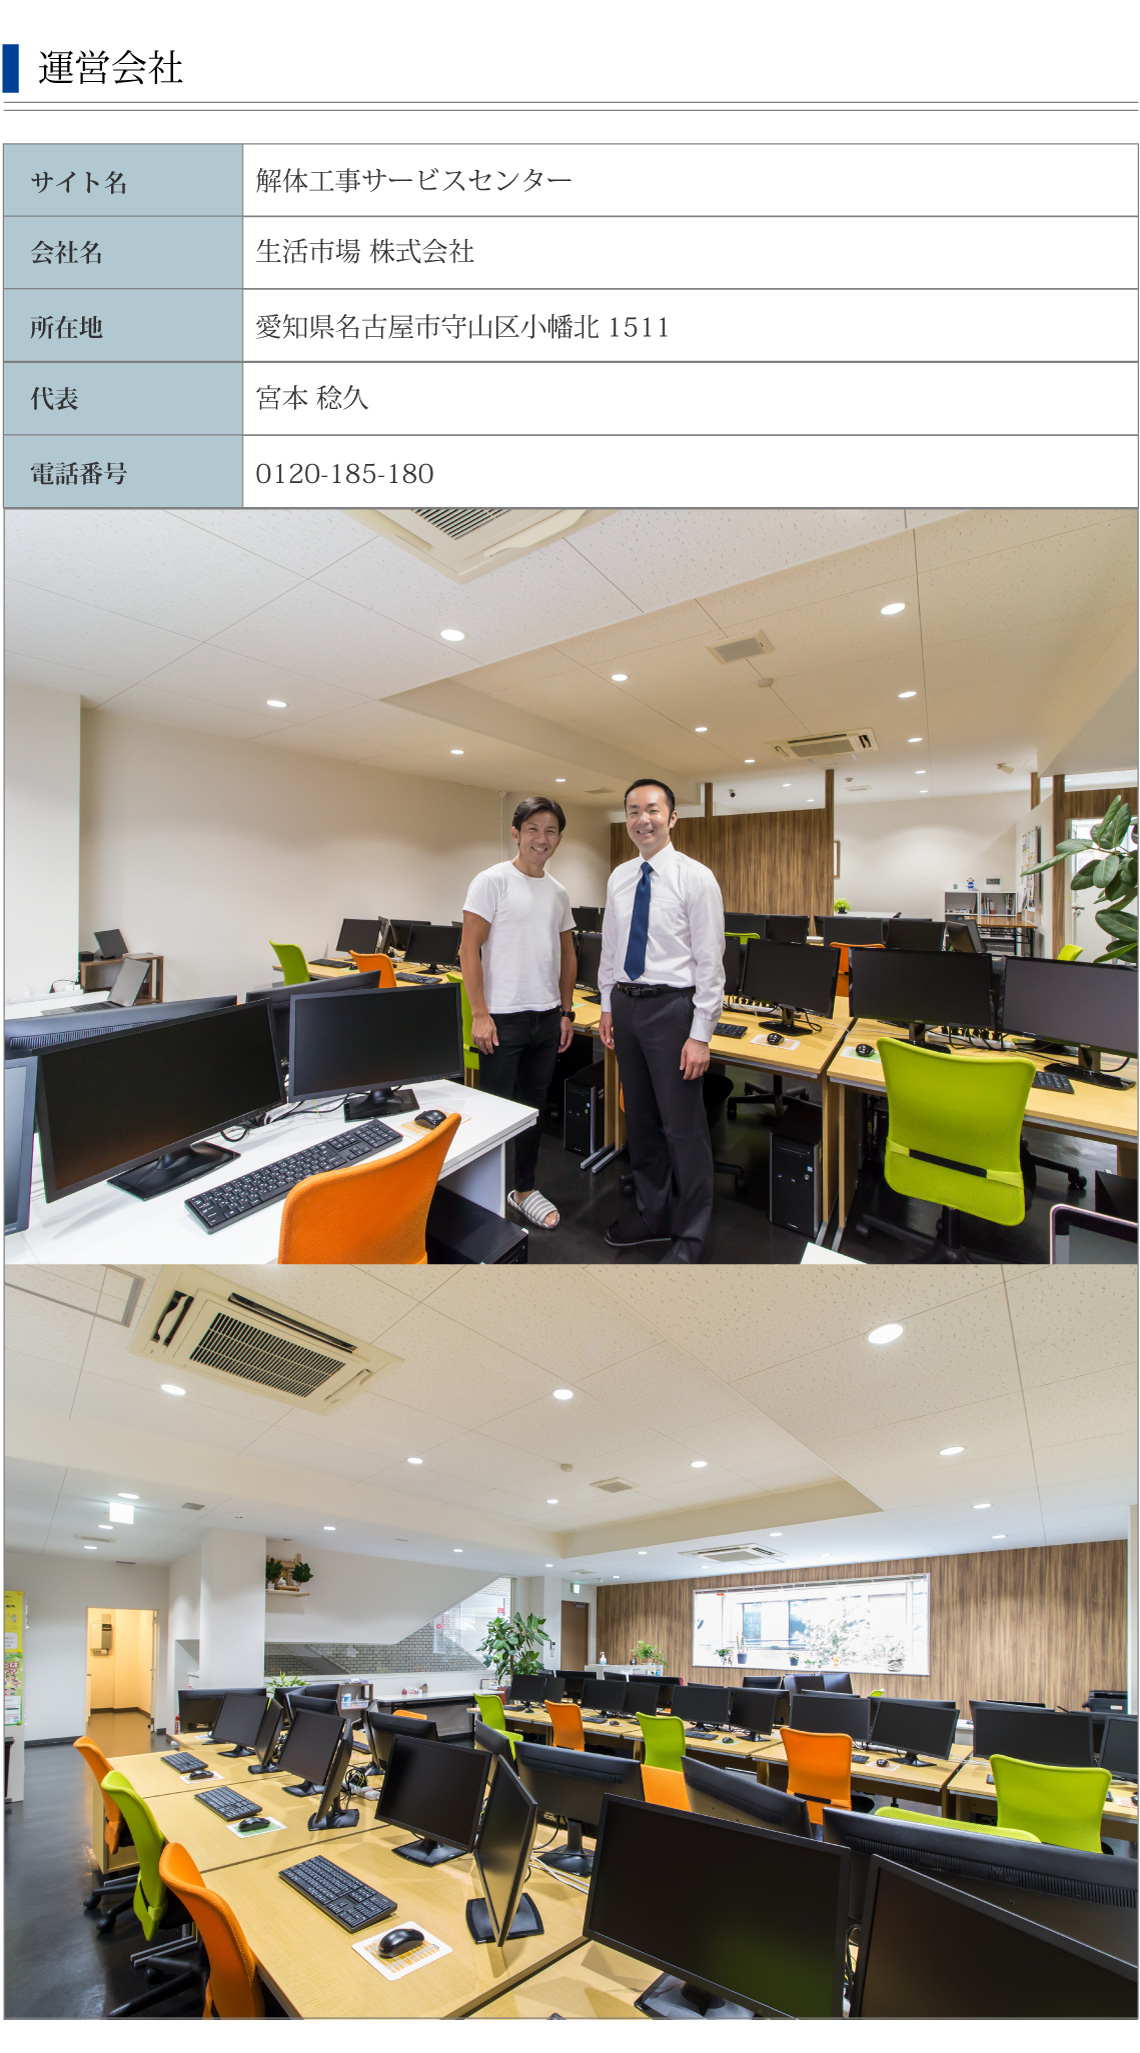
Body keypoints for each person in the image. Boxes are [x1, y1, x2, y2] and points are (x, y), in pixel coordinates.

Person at [598, 779, 725, 1263]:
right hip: (627, 1006)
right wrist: (608, 1005)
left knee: (683, 1130)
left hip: (674, 1010)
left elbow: (710, 963)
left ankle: (691, 1236)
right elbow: (612, 947)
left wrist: (701, 1034)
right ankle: (653, 1215)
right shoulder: (620, 877)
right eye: (633, 811)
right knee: (642, 1122)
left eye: (652, 810)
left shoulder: (697, 878)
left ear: (672, 818)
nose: (642, 820)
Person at [460, 796, 578, 1230]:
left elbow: (568, 954)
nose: (541, 839)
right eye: (533, 829)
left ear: (559, 838)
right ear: (516, 833)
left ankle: (523, 1189)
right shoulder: (491, 881)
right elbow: (468, 950)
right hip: (501, 1019)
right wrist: (480, 1013)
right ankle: (480, 1194)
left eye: (550, 831)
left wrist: (566, 1011)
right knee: (493, 1110)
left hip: (546, 1018)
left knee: (532, 1109)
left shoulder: (558, 891)